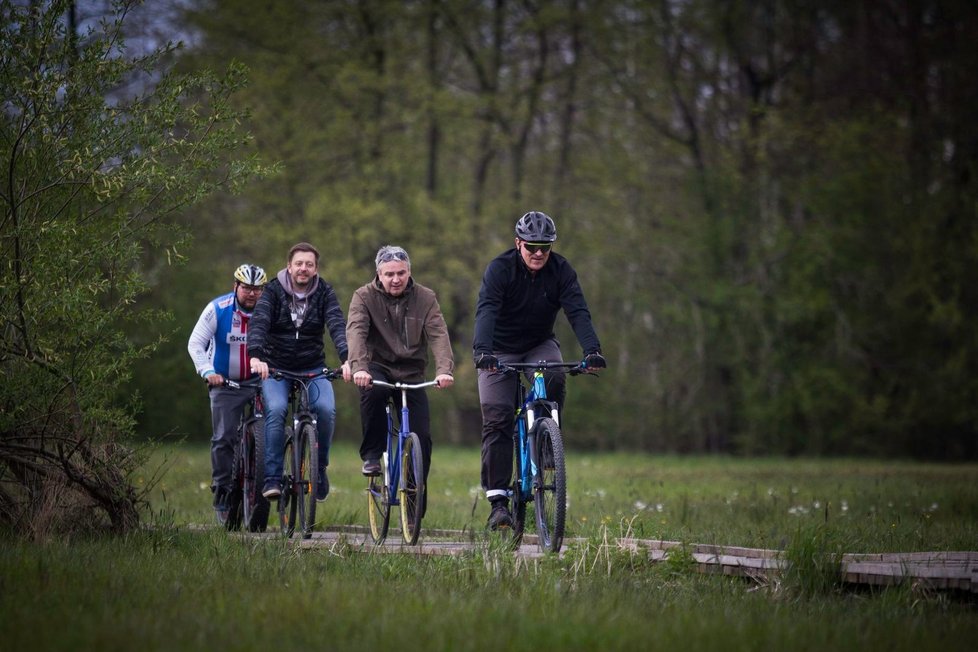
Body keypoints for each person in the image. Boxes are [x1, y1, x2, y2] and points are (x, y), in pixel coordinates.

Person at [472, 211, 607, 531]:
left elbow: (578, 311)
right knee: (497, 412)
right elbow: (486, 310)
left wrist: (592, 351)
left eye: (544, 248)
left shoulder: (561, 271)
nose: (538, 254)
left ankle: (547, 442)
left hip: (538, 345)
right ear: (518, 243)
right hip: (499, 350)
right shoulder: (500, 269)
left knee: (555, 374)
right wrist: (482, 352)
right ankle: (498, 503)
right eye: (531, 246)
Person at [344, 245, 454, 512]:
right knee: (373, 393)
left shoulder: (425, 297)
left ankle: (415, 495)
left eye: (401, 273)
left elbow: (438, 334)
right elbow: (356, 331)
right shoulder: (363, 296)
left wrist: (444, 370)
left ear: (409, 272)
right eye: (390, 274)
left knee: (423, 435)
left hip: (412, 371)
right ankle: (372, 455)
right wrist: (359, 367)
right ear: (379, 274)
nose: (396, 279)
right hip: (377, 366)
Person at [247, 242, 350, 502]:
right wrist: (256, 356)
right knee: (277, 409)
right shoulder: (272, 290)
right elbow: (259, 323)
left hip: (312, 366)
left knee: (326, 409)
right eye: (299, 264)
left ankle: (319, 469)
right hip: (275, 366)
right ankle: (272, 478)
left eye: (309, 264)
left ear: (315, 269)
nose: (304, 268)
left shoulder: (325, 291)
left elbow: (337, 323)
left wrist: (349, 358)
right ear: (289, 266)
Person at [187, 263, 268, 525]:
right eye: (247, 288)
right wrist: (207, 371)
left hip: (261, 382)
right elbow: (196, 343)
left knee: (273, 430)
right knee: (223, 437)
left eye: (257, 289)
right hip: (226, 384)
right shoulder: (217, 309)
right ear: (236, 286)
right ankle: (222, 490)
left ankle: (269, 483)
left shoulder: (270, 312)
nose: (252, 293)